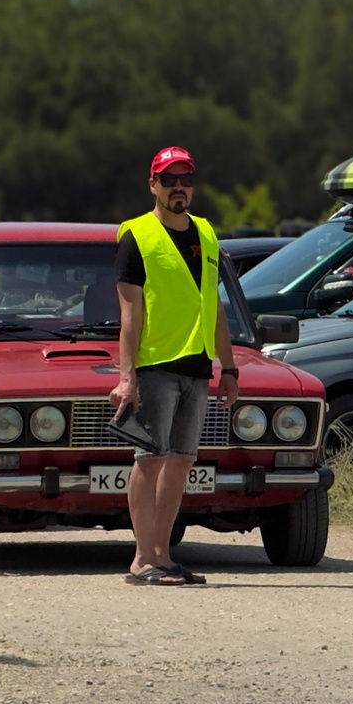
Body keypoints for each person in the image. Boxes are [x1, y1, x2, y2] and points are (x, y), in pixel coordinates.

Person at [108, 146, 238, 586]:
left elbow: (215, 307)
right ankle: (142, 558)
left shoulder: (205, 233)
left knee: (181, 461)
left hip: (197, 366)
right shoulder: (137, 236)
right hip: (155, 365)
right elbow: (130, 314)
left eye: (185, 179)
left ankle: (163, 554)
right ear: (153, 185)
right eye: (169, 179)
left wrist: (230, 368)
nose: (178, 187)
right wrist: (127, 379)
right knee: (150, 459)